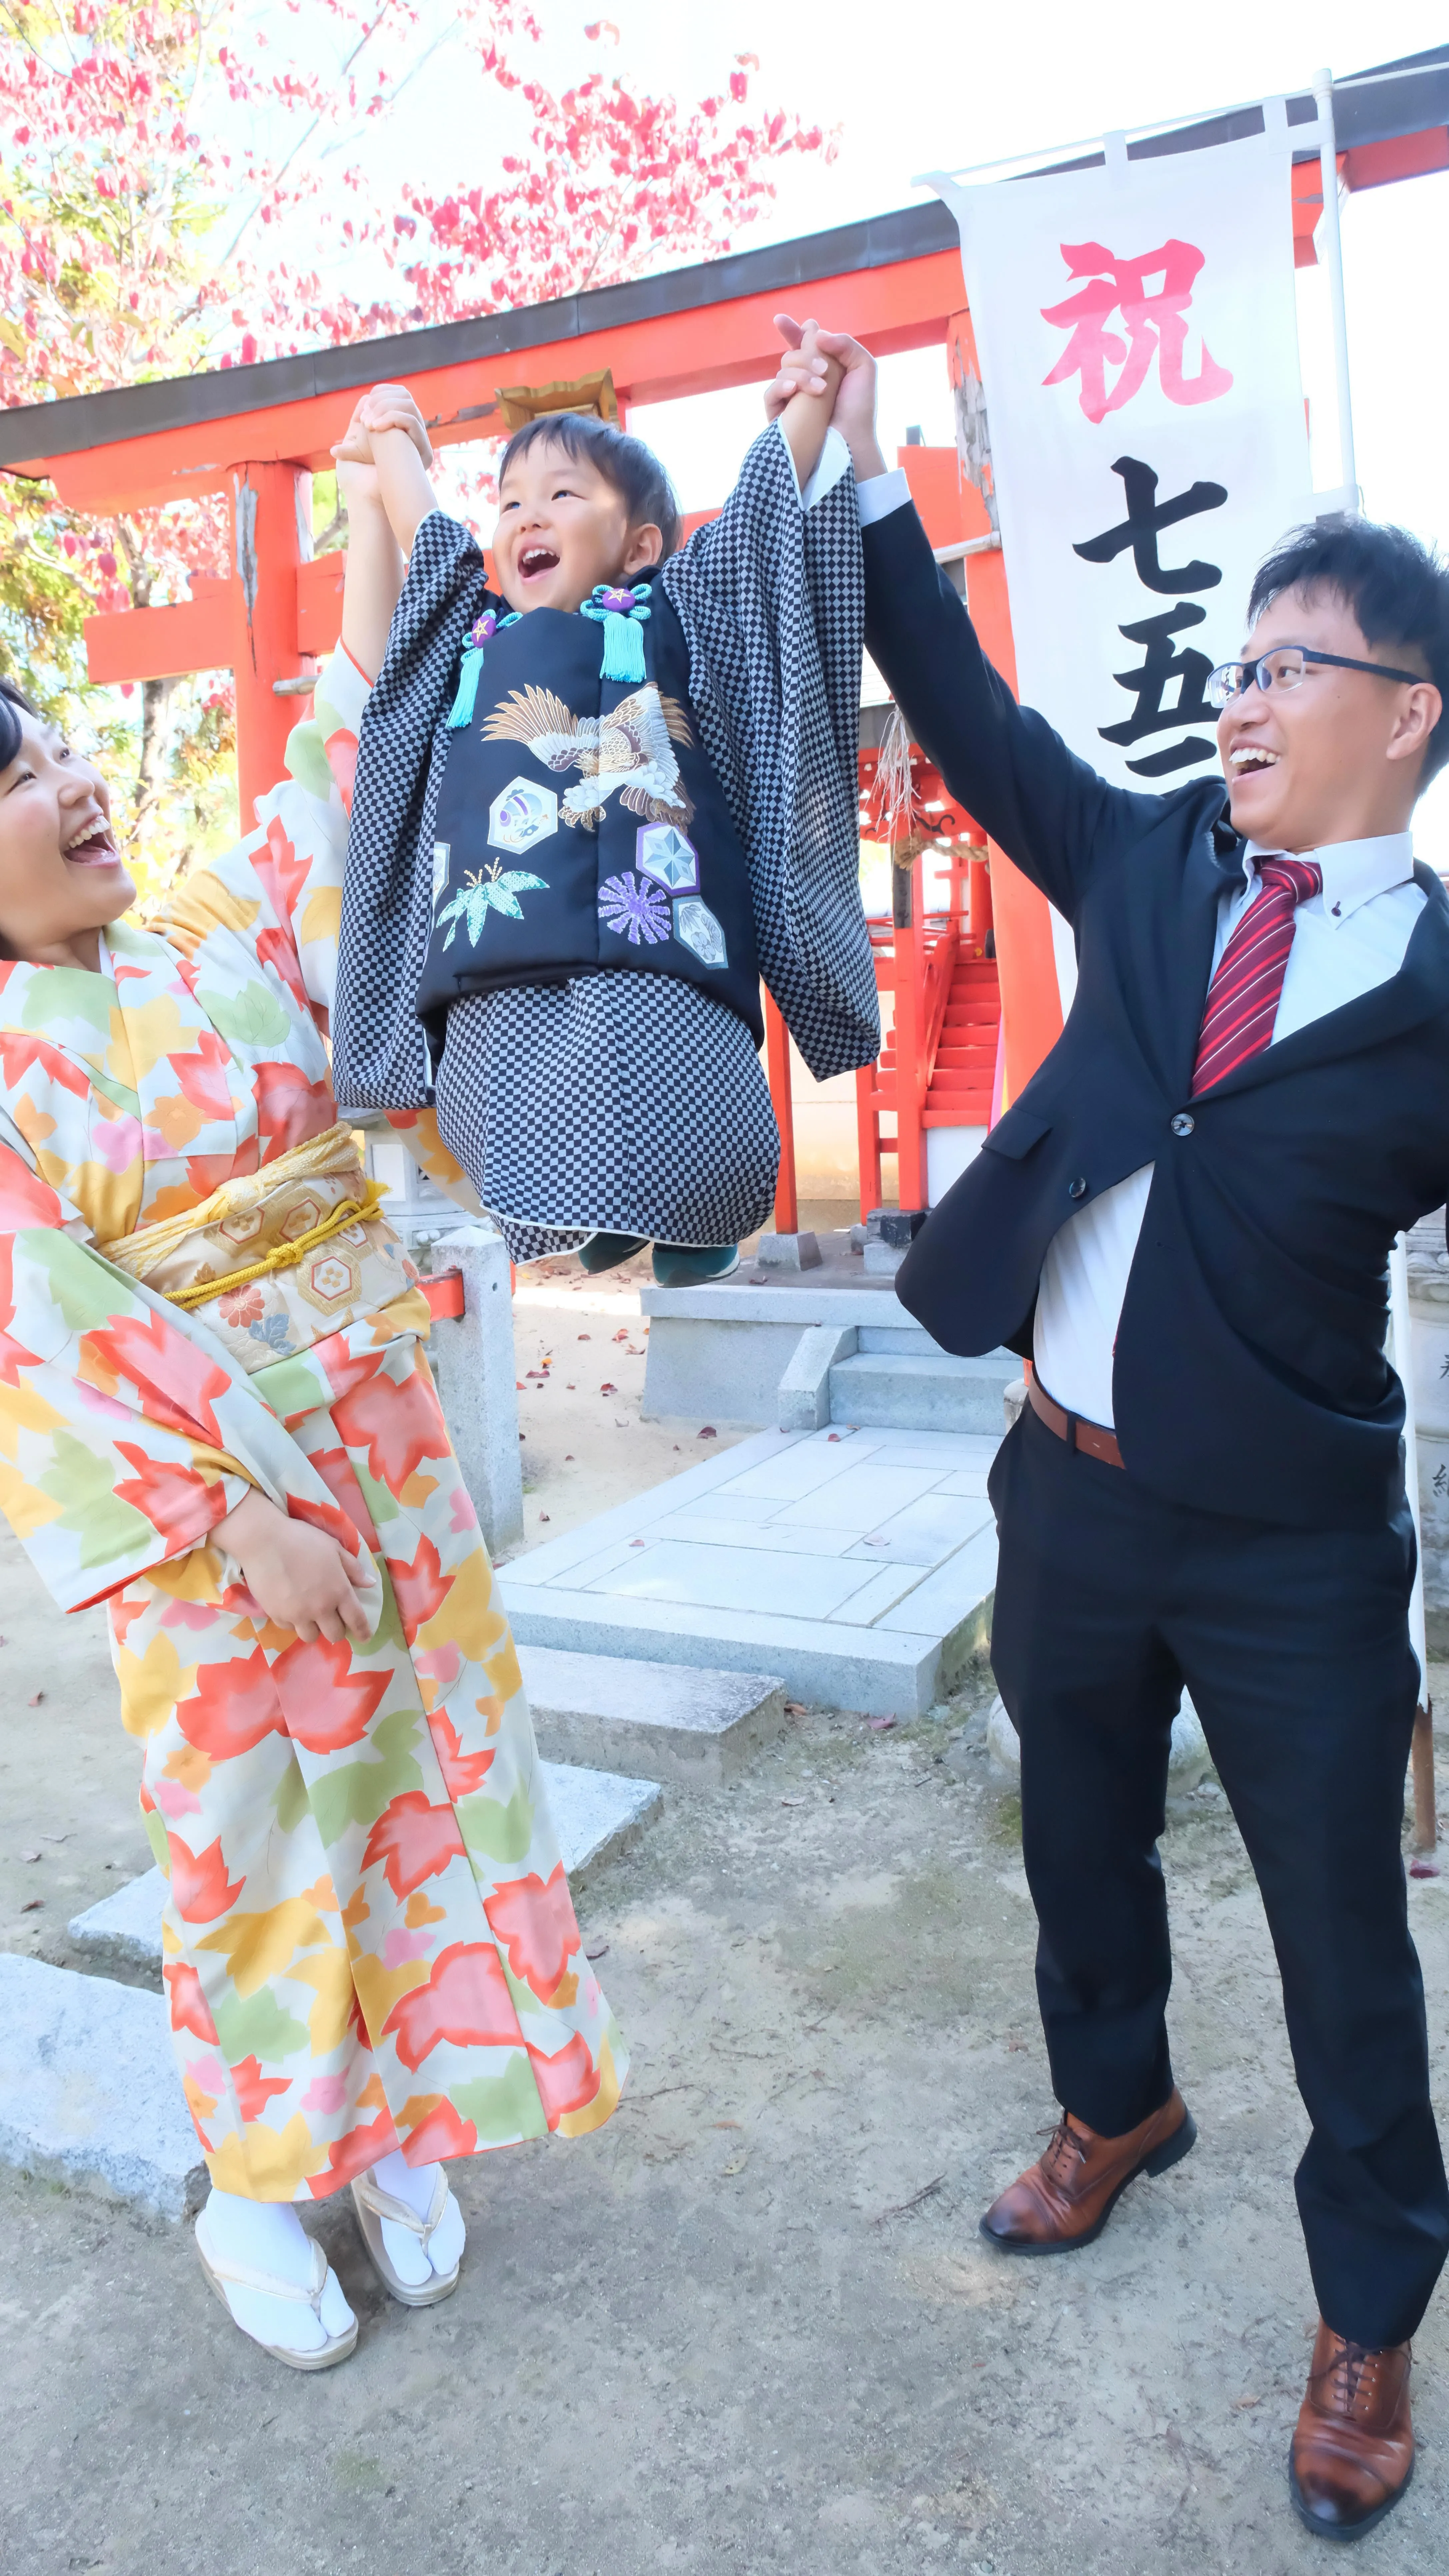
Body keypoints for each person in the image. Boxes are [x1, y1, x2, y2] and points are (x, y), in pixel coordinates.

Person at [766, 317, 1449, 2542]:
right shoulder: (1147, 866)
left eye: (1295, 662)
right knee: (1074, 1850)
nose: (1240, 693)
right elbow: (969, 717)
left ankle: (1366, 2313)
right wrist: (867, 486)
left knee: (1341, 1930)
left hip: (1289, 1549)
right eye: (1234, 655)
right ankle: (1112, 2109)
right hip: (1060, 1485)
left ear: (1405, 715)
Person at [0, 591, 624, 2368]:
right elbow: (36, 1337)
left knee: (425, 1792)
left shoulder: (203, 935)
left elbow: (328, 813)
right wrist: (227, 1520)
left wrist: (375, 568)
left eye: (58, 745)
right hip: (222, 1527)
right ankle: (258, 2180)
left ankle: (409, 2127)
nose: (71, 778)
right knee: (258, 1843)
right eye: (21, 776)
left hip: (388, 1458)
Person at [329, 343, 879, 1283]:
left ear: (640, 546)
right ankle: (614, 1220)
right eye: (509, 503)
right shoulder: (470, 638)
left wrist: (806, 408)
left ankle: (690, 1223)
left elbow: (750, 527)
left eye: (563, 496)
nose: (526, 517)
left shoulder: (680, 613)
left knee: (683, 1108)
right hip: (495, 967)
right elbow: (434, 547)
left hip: (657, 951)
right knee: (519, 1129)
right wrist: (387, 450)